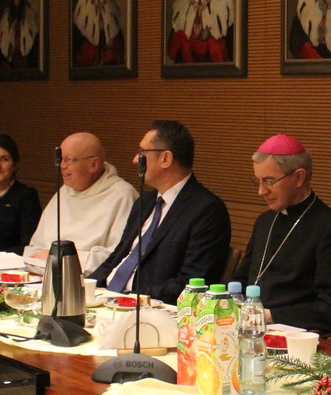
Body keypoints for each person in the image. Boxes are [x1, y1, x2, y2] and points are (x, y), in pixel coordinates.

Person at [232, 133, 331, 337]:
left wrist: (269, 315)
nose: (261, 191)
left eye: (269, 180)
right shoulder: (265, 221)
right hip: (248, 329)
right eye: (257, 181)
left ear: (299, 177)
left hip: (296, 338)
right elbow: (241, 281)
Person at [91, 120, 231, 303]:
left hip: (149, 308)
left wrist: (131, 298)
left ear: (165, 158)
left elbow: (192, 283)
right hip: (109, 299)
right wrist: (86, 287)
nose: (135, 160)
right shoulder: (145, 202)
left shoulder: (207, 210)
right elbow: (117, 258)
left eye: (142, 153)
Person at [26, 132, 135, 274]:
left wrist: (59, 258)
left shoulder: (123, 195)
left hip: (90, 282)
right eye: (60, 159)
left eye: (69, 160)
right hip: (43, 275)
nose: (62, 166)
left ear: (93, 164)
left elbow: (119, 257)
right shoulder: (63, 192)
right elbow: (34, 248)